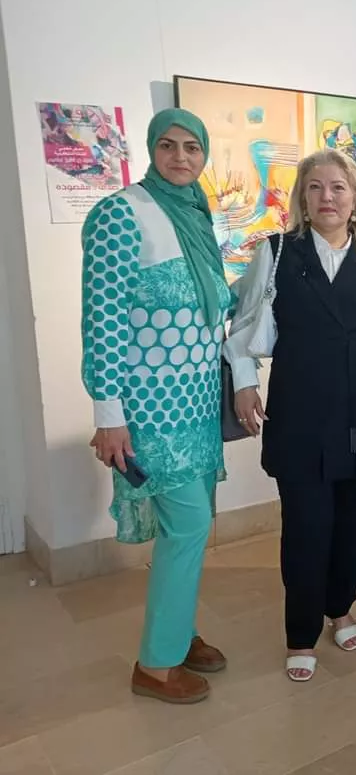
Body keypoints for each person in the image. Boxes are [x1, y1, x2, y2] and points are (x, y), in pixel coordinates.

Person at [226, 149, 356, 682]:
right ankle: (301, 631)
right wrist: (244, 383)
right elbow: (244, 330)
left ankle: (341, 607)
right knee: (306, 524)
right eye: (315, 187)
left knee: (353, 521)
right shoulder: (277, 254)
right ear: (302, 199)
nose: (327, 197)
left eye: (338, 187)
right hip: (302, 409)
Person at [81, 108, 230, 704]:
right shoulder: (121, 213)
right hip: (150, 412)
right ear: (150, 149)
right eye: (167, 145)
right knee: (188, 526)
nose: (180, 157)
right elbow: (103, 320)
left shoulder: (195, 213)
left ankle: (179, 632)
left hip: (198, 406)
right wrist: (108, 415)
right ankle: (156, 664)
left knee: (189, 529)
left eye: (192, 147)